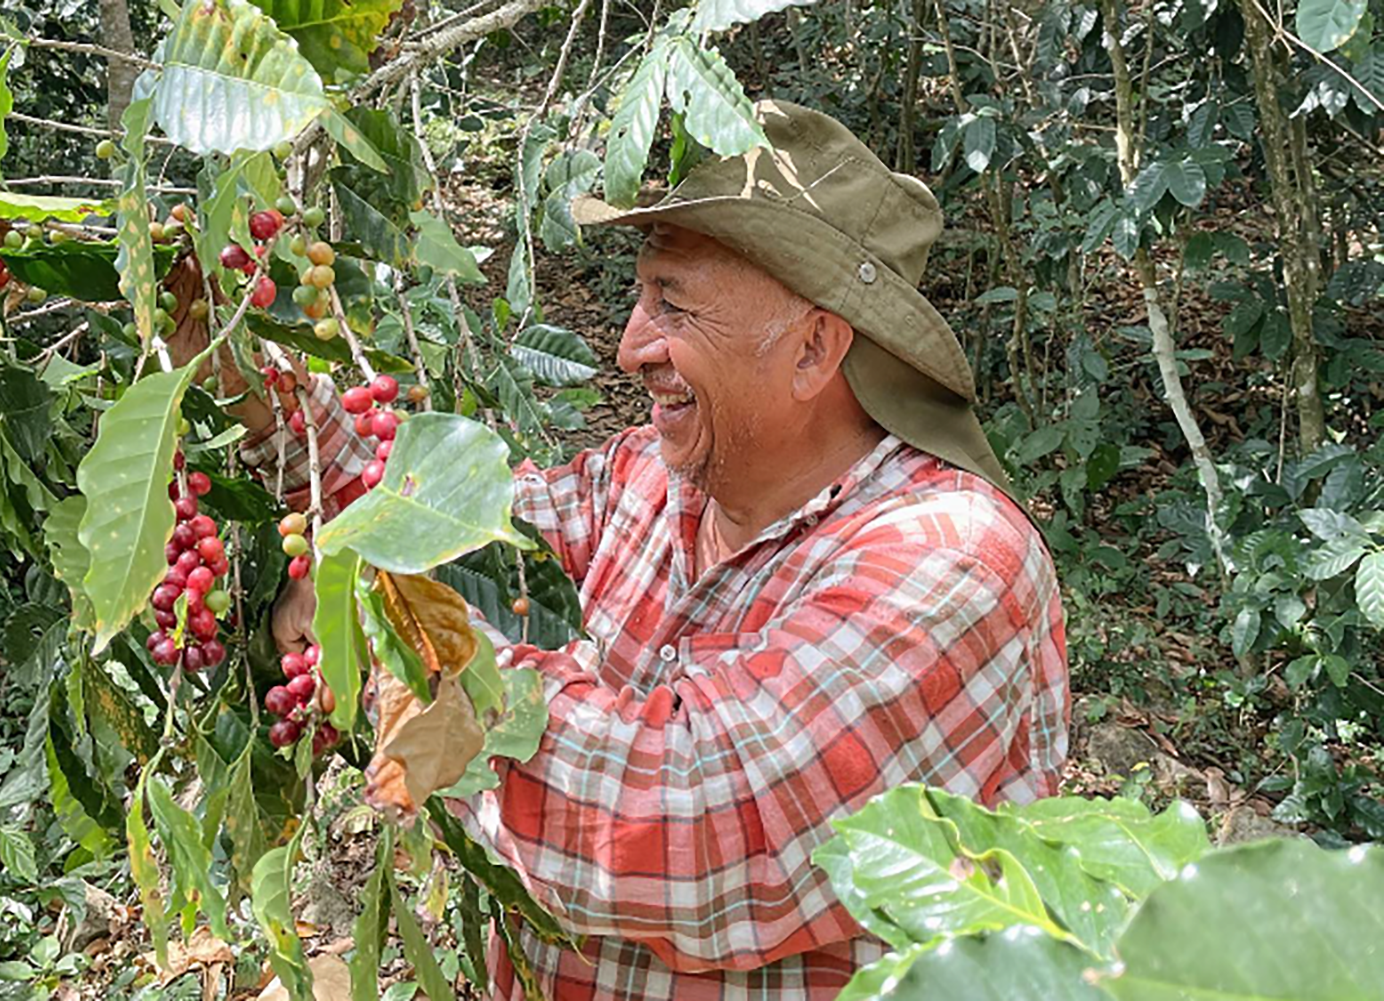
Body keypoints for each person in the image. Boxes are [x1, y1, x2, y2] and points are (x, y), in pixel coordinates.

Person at [227, 100, 1068, 999]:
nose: (630, 346)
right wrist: (245, 383)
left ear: (815, 348)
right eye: (641, 295)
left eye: (673, 305)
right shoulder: (653, 479)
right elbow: (450, 529)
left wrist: (390, 631)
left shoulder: (948, 565)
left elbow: (681, 821)